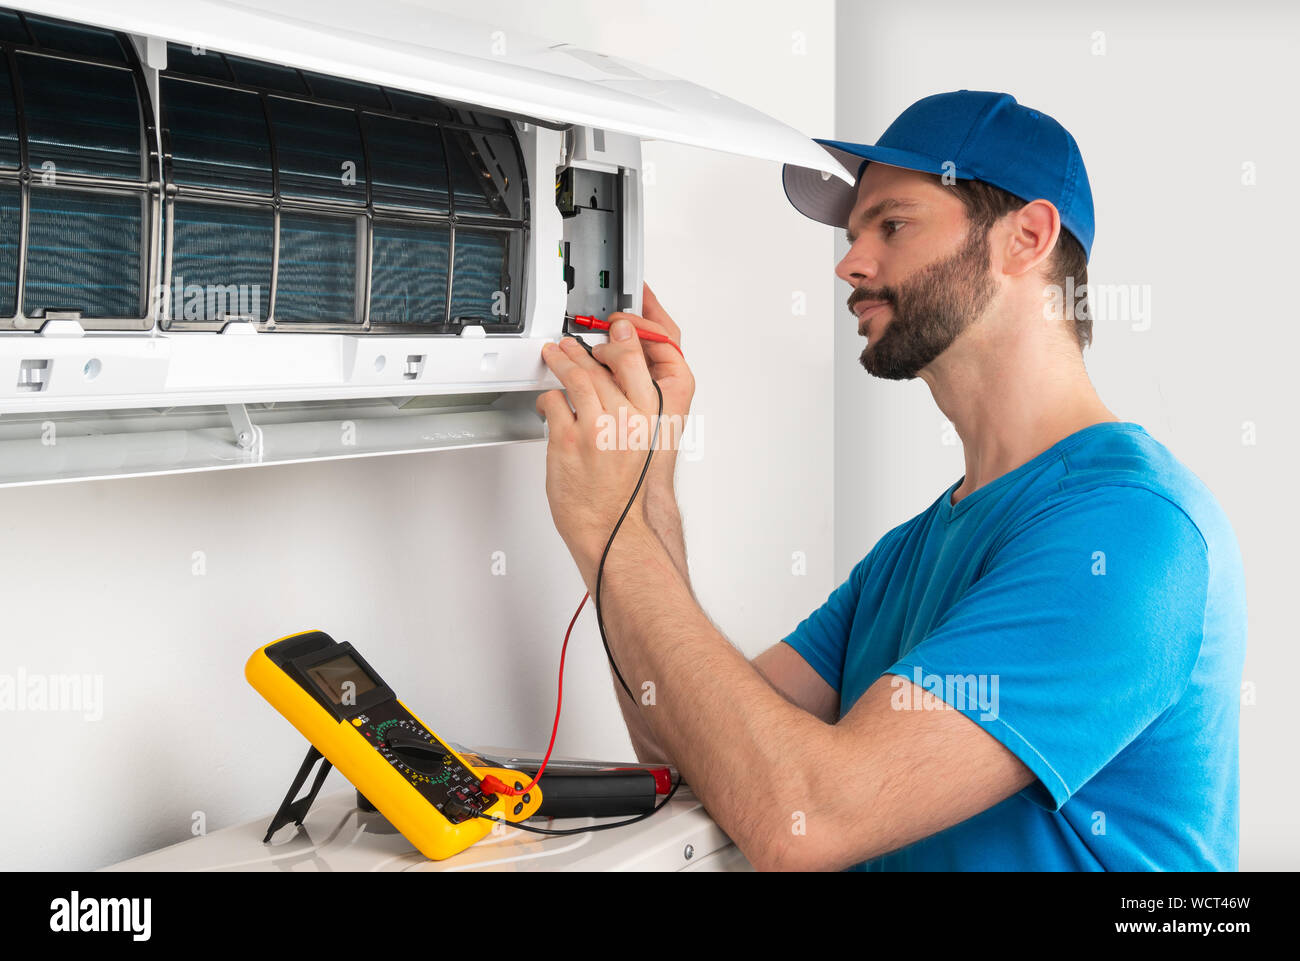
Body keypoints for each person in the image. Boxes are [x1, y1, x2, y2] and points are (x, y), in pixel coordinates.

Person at [534, 90, 1247, 871]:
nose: (849, 262)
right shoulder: (909, 554)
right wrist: (647, 488)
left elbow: (803, 816)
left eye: (893, 224)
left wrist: (610, 531)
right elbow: (686, 743)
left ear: (1027, 237)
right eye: (851, 234)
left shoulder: (1129, 531)